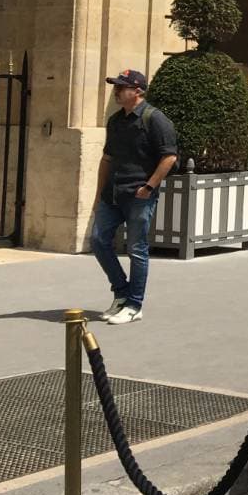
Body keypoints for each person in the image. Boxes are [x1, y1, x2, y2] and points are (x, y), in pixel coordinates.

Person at [91, 69, 177, 324]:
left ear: (138, 90)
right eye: (115, 86)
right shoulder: (116, 120)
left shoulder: (155, 119)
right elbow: (107, 158)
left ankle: (135, 304)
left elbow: (169, 157)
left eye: (122, 87)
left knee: (137, 249)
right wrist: (98, 194)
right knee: (98, 240)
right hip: (113, 193)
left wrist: (149, 187)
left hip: (139, 194)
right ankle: (121, 293)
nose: (116, 91)